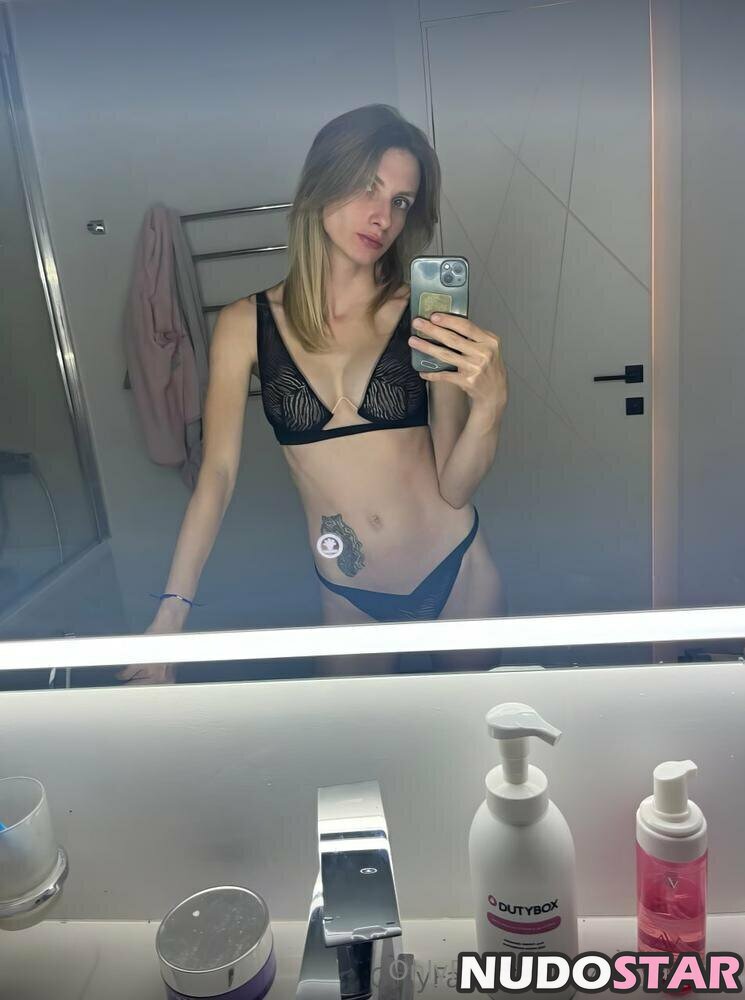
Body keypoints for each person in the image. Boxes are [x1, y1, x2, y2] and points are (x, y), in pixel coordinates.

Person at [118, 104, 508, 684]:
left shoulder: (422, 315)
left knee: (476, 733)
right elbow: (217, 475)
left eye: (401, 201)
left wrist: (491, 406)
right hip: (351, 597)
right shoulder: (244, 325)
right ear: (323, 180)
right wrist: (171, 614)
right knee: (357, 739)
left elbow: (454, 487)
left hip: (458, 573)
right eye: (367, 187)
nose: (382, 216)